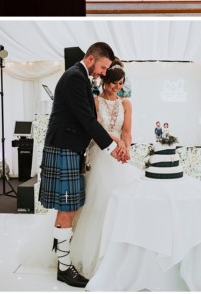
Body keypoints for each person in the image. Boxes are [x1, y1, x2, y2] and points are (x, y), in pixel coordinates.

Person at [37, 42, 129, 288]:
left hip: (70, 149)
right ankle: (64, 268)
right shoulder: (76, 78)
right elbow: (87, 120)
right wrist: (111, 149)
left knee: (70, 208)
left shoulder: (79, 76)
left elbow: (89, 121)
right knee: (67, 209)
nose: (102, 72)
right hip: (64, 149)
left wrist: (115, 139)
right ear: (90, 59)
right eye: (102, 67)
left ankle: (63, 262)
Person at [70, 58, 141, 278]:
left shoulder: (126, 104)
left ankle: (121, 255)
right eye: (113, 83)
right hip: (99, 153)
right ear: (104, 81)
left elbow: (127, 130)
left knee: (122, 203)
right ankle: (91, 253)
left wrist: (125, 148)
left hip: (119, 156)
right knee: (97, 202)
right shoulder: (94, 101)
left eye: (120, 84)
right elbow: (95, 128)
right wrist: (115, 145)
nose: (116, 88)